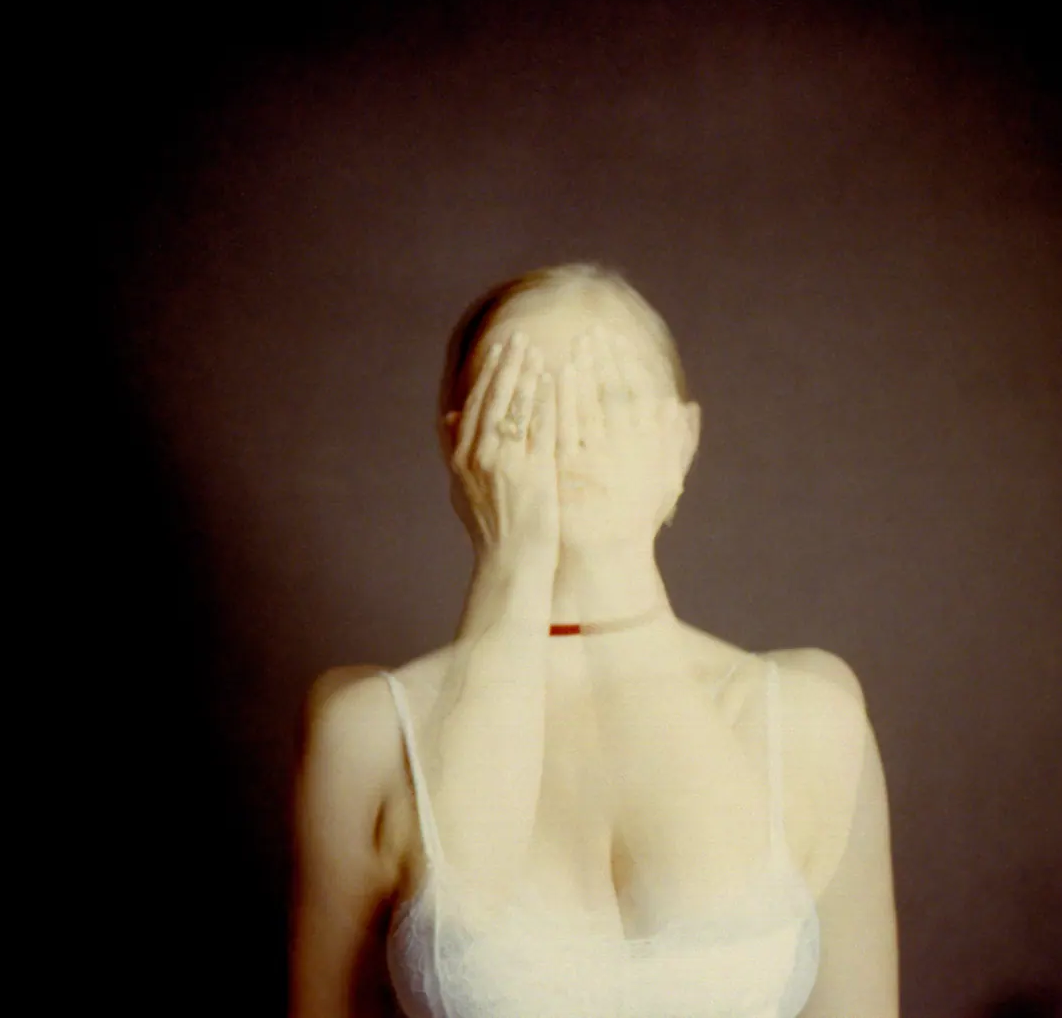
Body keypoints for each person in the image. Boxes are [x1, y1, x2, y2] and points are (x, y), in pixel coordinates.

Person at [290, 264, 897, 1017]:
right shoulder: (369, 732)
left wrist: (612, 558)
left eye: (611, 397)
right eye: (522, 403)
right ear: (458, 443)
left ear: (682, 438)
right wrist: (514, 562)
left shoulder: (807, 717)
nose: (569, 437)